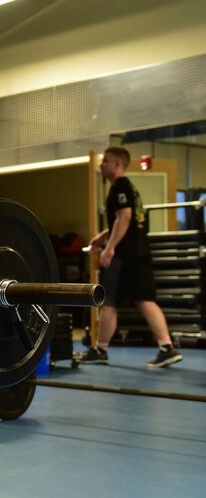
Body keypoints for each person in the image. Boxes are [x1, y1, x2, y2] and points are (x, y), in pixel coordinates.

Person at [80, 146, 183, 368]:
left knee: (109, 301)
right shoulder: (131, 189)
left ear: (117, 164)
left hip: (125, 256)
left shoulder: (120, 187)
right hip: (139, 253)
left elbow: (124, 218)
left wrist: (110, 248)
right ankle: (167, 347)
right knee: (145, 299)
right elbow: (126, 219)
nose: (101, 165)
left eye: (106, 161)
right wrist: (103, 236)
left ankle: (100, 349)